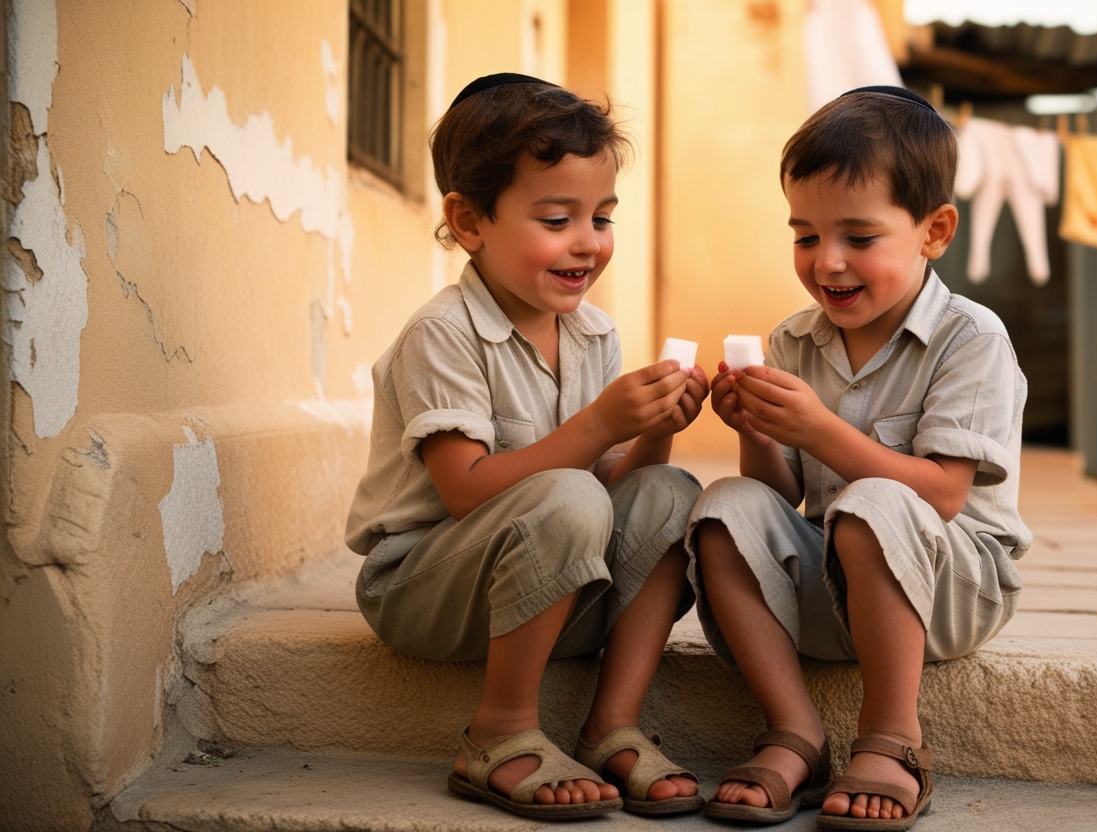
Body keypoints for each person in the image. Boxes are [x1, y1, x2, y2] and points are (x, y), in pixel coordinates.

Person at [344, 73, 708, 821]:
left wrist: (655, 427)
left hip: (550, 585)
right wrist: (598, 425)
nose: (588, 242)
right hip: (426, 588)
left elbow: (613, 495)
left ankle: (611, 723)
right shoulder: (442, 334)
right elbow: (466, 491)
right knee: (569, 492)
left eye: (602, 217)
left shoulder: (593, 333)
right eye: (557, 218)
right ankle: (499, 730)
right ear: (469, 221)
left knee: (674, 494)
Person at [688, 85, 1030, 831]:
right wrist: (755, 427)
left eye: (860, 237)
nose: (828, 262)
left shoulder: (971, 339)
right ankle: (794, 731)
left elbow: (942, 494)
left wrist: (819, 430)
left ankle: (891, 738)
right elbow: (779, 495)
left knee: (874, 500)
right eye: (806, 236)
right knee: (721, 507)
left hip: (947, 593)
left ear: (934, 231)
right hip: (833, 586)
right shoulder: (794, 340)